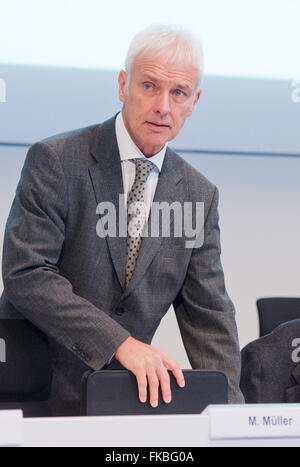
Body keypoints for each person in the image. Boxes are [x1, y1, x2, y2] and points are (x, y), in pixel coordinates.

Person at [0, 24, 244, 416]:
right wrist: (120, 343)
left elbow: (210, 316)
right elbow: (26, 273)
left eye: (178, 93)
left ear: (193, 101)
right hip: (30, 392)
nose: (163, 105)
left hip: (121, 402)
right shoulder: (57, 161)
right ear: (122, 84)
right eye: (149, 86)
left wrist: (233, 416)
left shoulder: (199, 194)